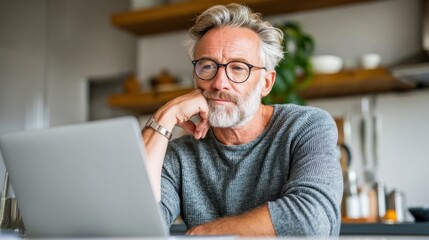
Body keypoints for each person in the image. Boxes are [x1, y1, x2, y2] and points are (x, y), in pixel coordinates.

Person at [142, 3, 343, 237]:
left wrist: (207, 233)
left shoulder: (305, 127)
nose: (219, 83)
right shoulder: (179, 155)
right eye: (207, 66)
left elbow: (313, 220)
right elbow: (135, 228)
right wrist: (163, 117)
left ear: (266, 83)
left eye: (238, 68)